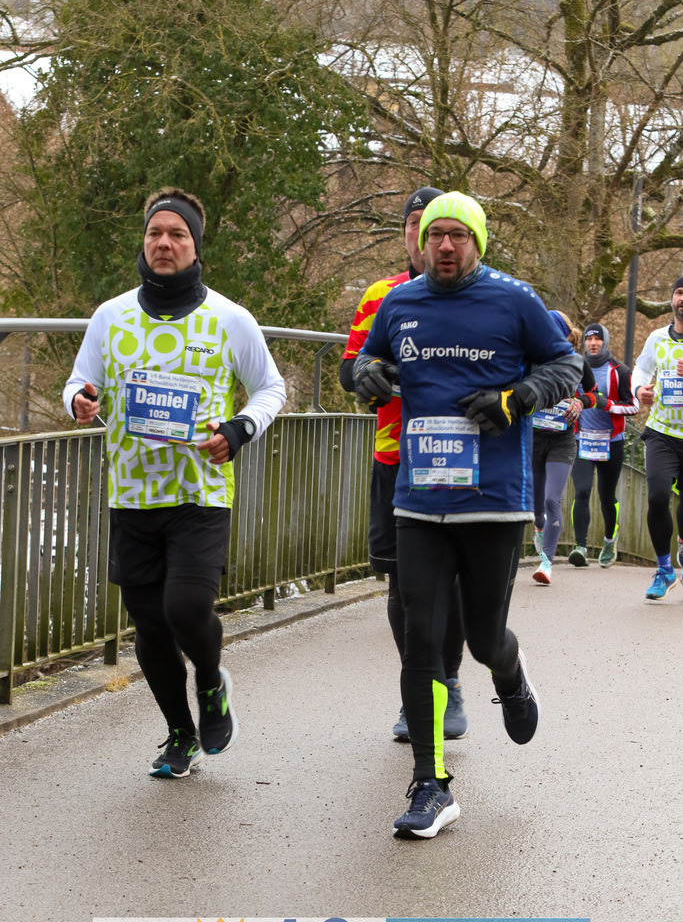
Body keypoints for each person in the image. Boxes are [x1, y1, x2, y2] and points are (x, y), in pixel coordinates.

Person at [354, 191, 581, 839]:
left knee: (482, 640)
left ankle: (508, 673)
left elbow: (565, 364)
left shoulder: (512, 300)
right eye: (435, 235)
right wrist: (368, 373)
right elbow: (365, 362)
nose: (445, 246)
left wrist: (518, 397)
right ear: (422, 242)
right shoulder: (399, 304)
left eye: (457, 235)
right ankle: (430, 784)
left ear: (476, 242)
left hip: (492, 502)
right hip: (419, 499)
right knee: (420, 640)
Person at [63, 187, 286, 777]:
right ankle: (179, 734)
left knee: (187, 607)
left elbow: (271, 388)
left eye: (177, 234)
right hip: (132, 493)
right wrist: (79, 402)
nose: (164, 243)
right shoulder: (111, 316)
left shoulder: (230, 319)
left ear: (195, 245)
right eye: (155, 233)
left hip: (198, 493)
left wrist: (239, 430)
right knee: (151, 624)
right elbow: (79, 382)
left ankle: (211, 684)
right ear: (144, 242)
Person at [339, 187, 468, 742]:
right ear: (407, 235)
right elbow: (349, 367)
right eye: (416, 225)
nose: (427, 237)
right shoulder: (382, 296)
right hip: (396, 456)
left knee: (456, 580)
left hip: (463, 457)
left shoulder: (481, 298)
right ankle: (420, 689)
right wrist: (364, 375)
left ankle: (453, 683)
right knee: (400, 584)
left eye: (439, 228)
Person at [531, 311, 601, 585]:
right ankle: (539, 526)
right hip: (535, 438)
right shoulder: (532, 360)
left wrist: (581, 402)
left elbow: (597, 394)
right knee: (537, 508)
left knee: (552, 500)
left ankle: (546, 562)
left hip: (563, 441)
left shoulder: (576, 362)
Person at [567, 323, 638, 569]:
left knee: (607, 497)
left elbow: (633, 407)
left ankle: (609, 540)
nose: (593, 343)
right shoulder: (575, 367)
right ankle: (580, 547)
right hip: (582, 440)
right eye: (589, 339)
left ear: (605, 342)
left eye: (598, 339)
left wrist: (606, 404)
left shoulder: (620, 370)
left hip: (611, 442)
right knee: (582, 491)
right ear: (584, 342)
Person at [631, 276, 683, 599]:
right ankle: (664, 570)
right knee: (657, 496)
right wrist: (639, 390)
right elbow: (639, 369)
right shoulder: (656, 339)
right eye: (679, 293)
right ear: (672, 301)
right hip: (662, 431)